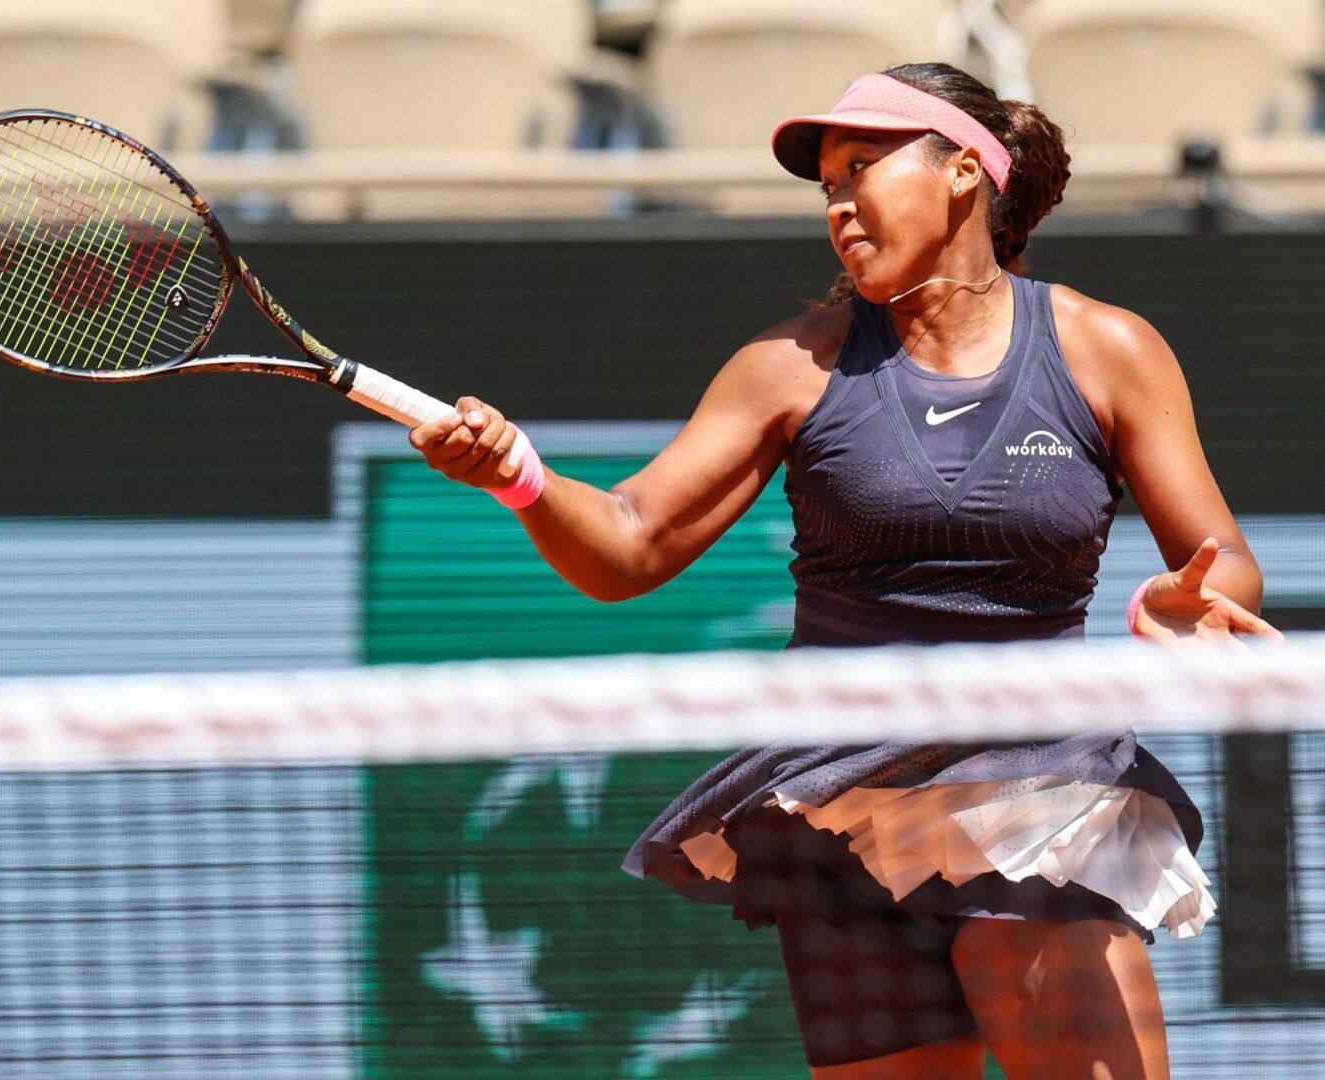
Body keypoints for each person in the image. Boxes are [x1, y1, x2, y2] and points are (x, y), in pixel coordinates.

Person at [409, 62, 1281, 1080]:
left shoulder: (1105, 349)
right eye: (826, 185)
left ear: (962, 171)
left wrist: (1192, 603)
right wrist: (516, 476)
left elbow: (1220, 565)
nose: (837, 205)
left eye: (861, 167)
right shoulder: (790, 365)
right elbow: (628, 544)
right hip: (842, 820)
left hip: (1037, 795)